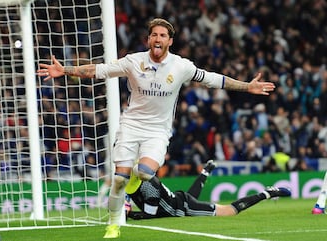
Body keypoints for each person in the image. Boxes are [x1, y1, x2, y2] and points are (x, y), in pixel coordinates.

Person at [37, 18, 276, 238]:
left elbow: (214, 79)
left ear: (170, 41)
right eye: (154, 35)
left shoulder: (181, 66)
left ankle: (131, 182)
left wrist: (247, 87)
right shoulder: (133, 61)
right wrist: (65, 70)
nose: (158, 39)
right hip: (131, 125)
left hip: (158, 131)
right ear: (148, 39)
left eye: (163, 35)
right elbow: (98, 70)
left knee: (144, 173)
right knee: (119, 180)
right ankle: (113, 223)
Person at [124, 160, 291, 220]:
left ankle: (267, 193)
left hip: (181, 208)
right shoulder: (131, 180)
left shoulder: (149, 186)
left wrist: (128, 215)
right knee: (190, 197)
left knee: (229, 211)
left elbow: (150, 216)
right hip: (179, 201)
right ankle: (205, 172)